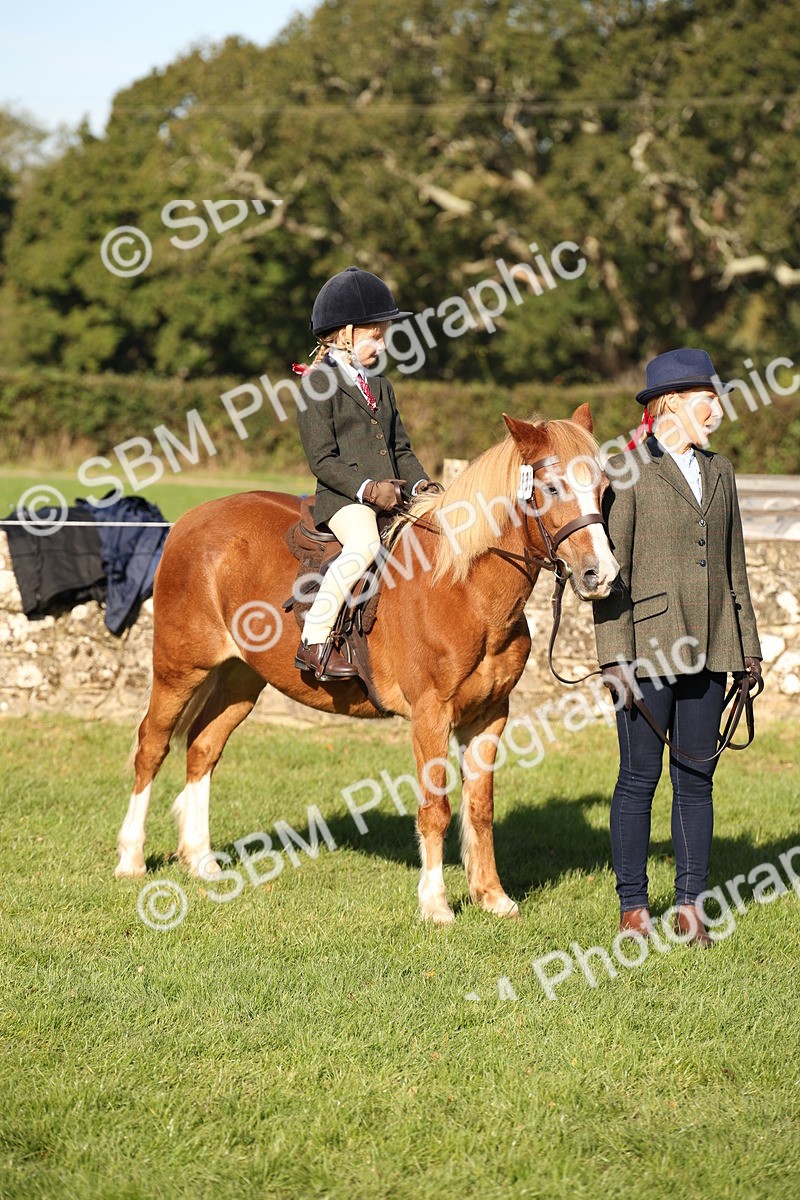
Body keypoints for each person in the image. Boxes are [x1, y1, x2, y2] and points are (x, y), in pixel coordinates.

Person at [593, 348, 762, 946]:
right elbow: (610, 572)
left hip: (715, 644)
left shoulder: (723, 473)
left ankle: (690, 907)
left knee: (697, 780)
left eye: (715, 397)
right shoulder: (628, 470)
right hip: (646, 649)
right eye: (705, 397)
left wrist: (749, 649)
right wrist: (613, 654)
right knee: (638, 779)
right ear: (669, 404)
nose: (716, 407)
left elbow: (735, 567)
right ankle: (634, 907)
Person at [293, 266, 442, 682]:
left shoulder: (381, 385)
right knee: (363, 545)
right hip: (345, 500)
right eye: (374, 335)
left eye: (382, 335)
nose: (382, 343)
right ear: (345, 335)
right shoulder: (316, 385)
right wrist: (367, 489)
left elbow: (400, 449)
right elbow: (322, 460)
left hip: (392, 493)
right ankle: (316, 640)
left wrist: (422, 485)